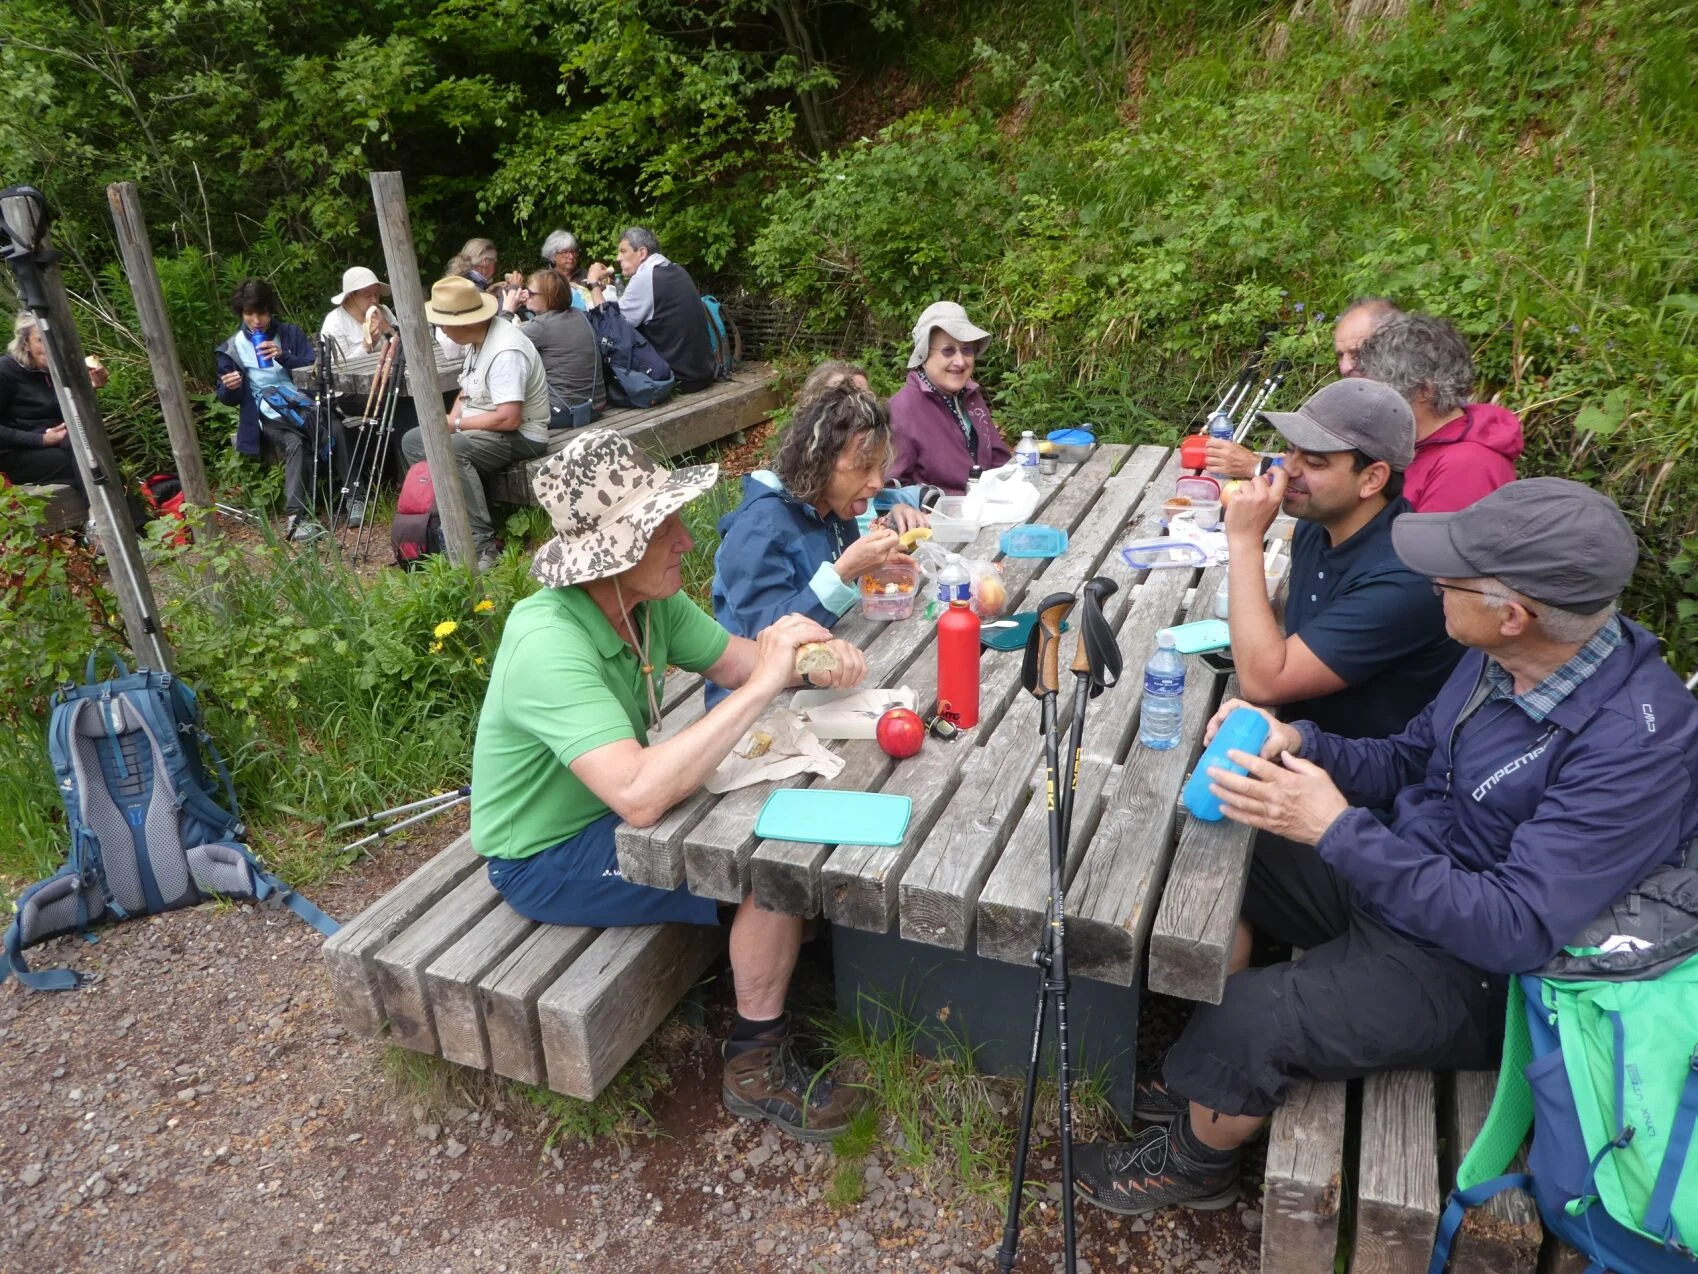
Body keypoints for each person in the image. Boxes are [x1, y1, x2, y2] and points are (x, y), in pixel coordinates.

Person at [1072, 477, 1698, 1218]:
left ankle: (1193, 1163)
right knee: (1217, 829)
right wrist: (1298, 739)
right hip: (1405, 871)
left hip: (1481, 971)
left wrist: (1338, 831)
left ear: (1514, 614)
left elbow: (1516, 927)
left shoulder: (1637, 744)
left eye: (1452, 574)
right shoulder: (1501, 656)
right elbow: (1407, 757)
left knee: (1252, 1016)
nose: (1432, 581)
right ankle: (1190, 1071)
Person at [473, 428, 870, 1142]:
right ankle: (754, 1062)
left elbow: (737, 661)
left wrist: (812, 661)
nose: (687, 542)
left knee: (780, 811)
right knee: (763, 865)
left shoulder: (646, 604)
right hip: (546, 854)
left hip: (609, 808)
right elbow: (640, 795)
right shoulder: (547, 643)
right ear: (613, 553)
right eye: (665, 530)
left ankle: (792, 965)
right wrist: (771, 684)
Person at [1221, 378, 1460, 739]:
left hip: (1360, 774)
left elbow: (1263, 683)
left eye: (1314, 462)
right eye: (1290, 451)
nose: (1288, 470)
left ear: (1372, 479)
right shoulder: (1317, 527)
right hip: (1299, 731)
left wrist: (1244, 540)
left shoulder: (1403, 579)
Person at [707, 382, 927, 706]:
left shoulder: (835, 509)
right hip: (754, 707)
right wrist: (843, 572)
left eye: (880, 467)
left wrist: (874, 568)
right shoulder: (757, 529)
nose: (877, 483)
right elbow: (768, 638)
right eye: (863, 467)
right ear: (820, 462)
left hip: (821, 681)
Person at [398, 276, 550, 570]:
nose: (440, 329)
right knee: (413, 441)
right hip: (487, 430)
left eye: (443, 323)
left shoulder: (506, 351)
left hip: (522, 436)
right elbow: (467, 391)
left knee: (448, 450)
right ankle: (447, 523)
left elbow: (509, 418)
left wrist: (453, 427)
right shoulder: (479, 339)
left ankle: (483, 546)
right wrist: (452, 419)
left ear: (464, 322)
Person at [1207, 298, 1404, 479]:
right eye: (1340, 355)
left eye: (1357, 354)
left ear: (1397, 350)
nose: (1344, 367)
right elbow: (1321, 468)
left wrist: (1258, 466)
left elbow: (1334, 486)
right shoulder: (1357, 405)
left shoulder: (1406, 423)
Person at [1354, 313, 1523, 513]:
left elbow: (1427, 542)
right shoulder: (1418, 444)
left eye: (1381, 388)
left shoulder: (1466, 465)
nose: (1371, 400)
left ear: (1425, 390)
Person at [214, 278, 334, 541]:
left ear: (270, 311)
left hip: (304, 403)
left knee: (335, 426)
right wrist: (230, 387)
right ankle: (297, 518)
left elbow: (313, 372)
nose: (256, 320)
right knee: (295, 442)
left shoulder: (290, 334)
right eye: (249, 314)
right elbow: (227, 399)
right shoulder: (231, 349)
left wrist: (283, 356)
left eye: (262, 313)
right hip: (269, 413)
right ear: (241, 314)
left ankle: (352, 497)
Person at [887, 302, 1011, 493]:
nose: (960, 361)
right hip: (937, 519)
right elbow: (891, 488)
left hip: (987, 510)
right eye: (948, 350)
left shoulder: (971, 396)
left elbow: (999, 461)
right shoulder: (902, 409)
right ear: (924, 353)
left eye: (967, 350)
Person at [585, 227, 715, 394]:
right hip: (702, 373)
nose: (618, 258)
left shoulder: (646, 278)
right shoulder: (675, 269)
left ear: (642, 252)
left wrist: (593, 284)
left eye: (623, 252)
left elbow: (611, 328)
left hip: (679, 380)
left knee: (608, 343)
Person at [0, 312, 106, 497]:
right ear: (26, 343)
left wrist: (88, 390)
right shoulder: (6, 371)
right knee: (82, 461)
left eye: (54, 340)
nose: (50, 348)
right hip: (15, 453)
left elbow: (72, 417)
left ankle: (118, 520)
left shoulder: (62, 369)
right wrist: (40, 439)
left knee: (93, 456)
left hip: (65, 444)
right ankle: (105, 518)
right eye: (41, 340)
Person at [514, 269, 604, 429]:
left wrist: (508, 310)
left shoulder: (541, 326)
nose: (526, 295)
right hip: (595, 406)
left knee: (502, 412)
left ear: (549, 297)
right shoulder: (579, 314)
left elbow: (499, 344)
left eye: (531, 293)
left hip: (564, 412)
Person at [319, 267, 396, 360]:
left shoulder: (384, 310)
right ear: (351, 296)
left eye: (376, 294)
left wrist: (388, 328)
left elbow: (407, 346)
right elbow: (339, 368)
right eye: (367, 295)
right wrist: (366, 347)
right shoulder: (335, 322)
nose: (374, 300)